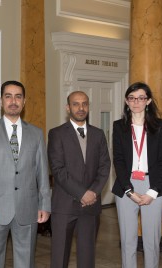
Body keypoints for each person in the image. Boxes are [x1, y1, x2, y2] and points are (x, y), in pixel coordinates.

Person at [0, 80, 51, 268]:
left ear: (24, 102)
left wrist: (45, 204)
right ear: (1, 101)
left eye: (18, 96)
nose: (13, 101)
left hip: (28, 207)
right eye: (8, 96)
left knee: (26, 260)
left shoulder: (36, 133)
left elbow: (42, 171)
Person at [47, 91, 111, 268]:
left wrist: (93, 193)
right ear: (68, 108)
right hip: (64, 206)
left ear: (88, 106)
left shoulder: (98, 134)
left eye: (84, 104)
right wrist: (82, 193)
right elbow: (58, 170)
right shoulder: (56, 134)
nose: (80, 108)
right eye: (76, 104)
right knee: (60, 257)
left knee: (87, 257)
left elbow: (105, 166)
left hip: (90, 207)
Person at [112, 82, 162, 268]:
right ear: (126, 101)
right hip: (126, 185)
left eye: (141, 98)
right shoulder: (119, 126)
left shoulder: (160, 126)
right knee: (127, 241)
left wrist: (153, 192)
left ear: (148, 101)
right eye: (132, 98)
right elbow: (118, 160)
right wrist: (129, 190)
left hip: (153, 186)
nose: (136, 102)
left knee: (151, 241)